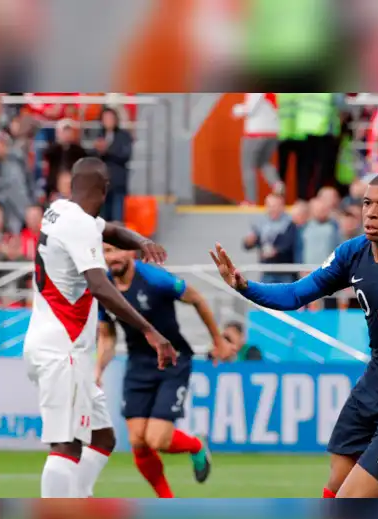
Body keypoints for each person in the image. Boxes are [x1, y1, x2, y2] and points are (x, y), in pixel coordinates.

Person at [210, 170, 378, 498]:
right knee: (337, 484)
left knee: (349, 500)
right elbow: (295, 295)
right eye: (366, 203)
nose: (371, 213)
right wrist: (245, 286)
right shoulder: (353, 253)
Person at [23, 156, 177, 498]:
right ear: (105, 190)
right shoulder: (77, 224)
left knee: (103, 436)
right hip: (61, 350)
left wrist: (140, 241)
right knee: (66, 446)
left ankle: (80, 498)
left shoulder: (60, 210)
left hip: (58, 344)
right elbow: (100, 285)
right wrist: (150, 331)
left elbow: (109, 231)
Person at [96, 243, 231, 498]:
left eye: (117, 250)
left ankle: (196, 445)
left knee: (157, 439)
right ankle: (167, 500)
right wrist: (98, 369)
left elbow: (197, 299)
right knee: (138, 441)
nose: (112, 257)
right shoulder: (104, 288)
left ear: (131, 252)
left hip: (173, 360)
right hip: (138, 363)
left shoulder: (155, 278)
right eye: (106, 252)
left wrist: (218, 340)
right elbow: (107, 336)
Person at [242, 192, 298, 283]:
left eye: (275, 206)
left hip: (285, 272)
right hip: (267, 271)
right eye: (269, 206)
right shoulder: (261, 223)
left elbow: (289, 244)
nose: (272, 209)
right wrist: (249, 241)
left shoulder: (289, 223)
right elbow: (248, 245)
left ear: (282, 207)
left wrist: (275, 251)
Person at [94, 107, 134, 223]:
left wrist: (107, 150)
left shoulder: (124, 136)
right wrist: (97, 150)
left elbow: (125, 155)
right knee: (102, 221)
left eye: (110, 118)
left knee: (117, 220)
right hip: (101, 185)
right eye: (105, 118)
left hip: (118, 183)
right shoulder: (98, 135)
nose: (108, 121)